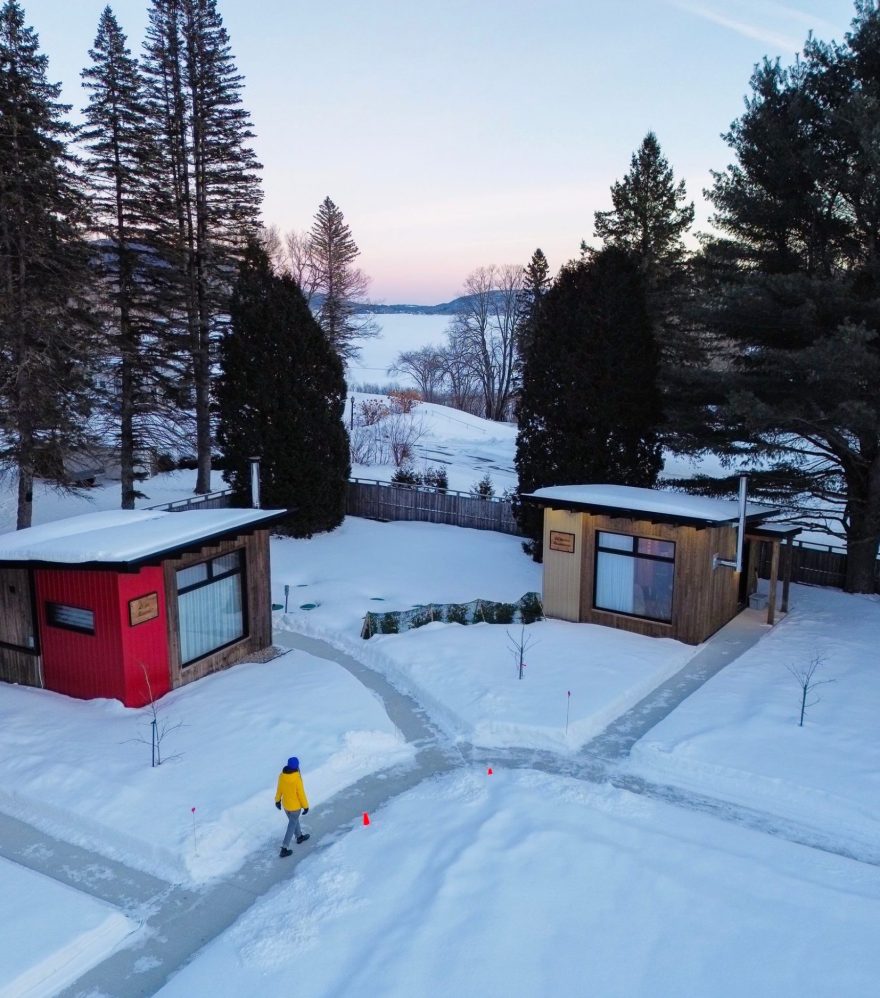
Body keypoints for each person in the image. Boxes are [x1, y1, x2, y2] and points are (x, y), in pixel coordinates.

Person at [275, 756, 310, 857]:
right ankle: (284, 848)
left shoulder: (282, 776)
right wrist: (305, 806)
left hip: (286, 806)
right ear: (297, 766)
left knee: (293, 821)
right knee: (291, 825)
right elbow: (301, 794)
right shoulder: (297, 778)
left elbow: (279, 789)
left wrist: (277, 800)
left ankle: (299, 836)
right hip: (295, 807)